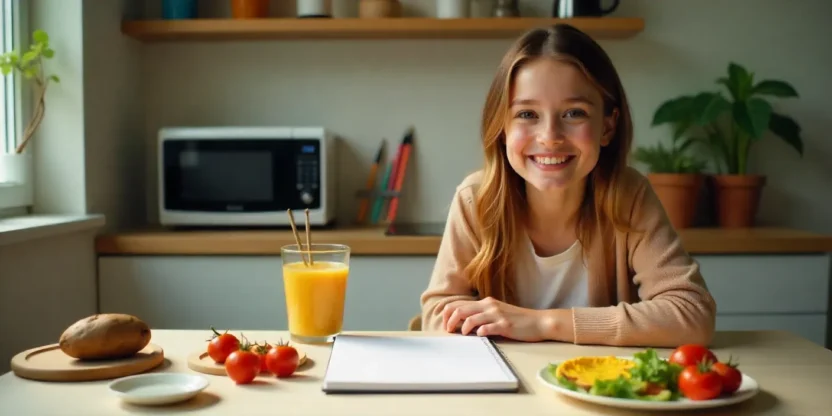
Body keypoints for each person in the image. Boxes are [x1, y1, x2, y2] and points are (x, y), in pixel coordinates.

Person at [419, 23, 717, 348]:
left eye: (574, 113)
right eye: (527, 114)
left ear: (607, 126)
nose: (549, 136)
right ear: (501, 127)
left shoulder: (628, 195)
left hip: (599, 387)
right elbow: (436, 316)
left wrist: (543, 323)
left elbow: (692, 315)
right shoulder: (476, 199)